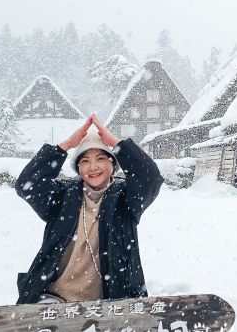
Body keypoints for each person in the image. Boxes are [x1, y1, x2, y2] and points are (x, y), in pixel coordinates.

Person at [13, 114, 163, 304]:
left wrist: (117, 144)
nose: (93, 167)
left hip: (111, 303)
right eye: (85, 161)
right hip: (55, 299)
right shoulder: (62, 196)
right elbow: (27, 184)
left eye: (100, 158)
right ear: (78, 168)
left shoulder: (126, 200)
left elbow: (150, 178)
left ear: (113, 164)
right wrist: (66, 145)